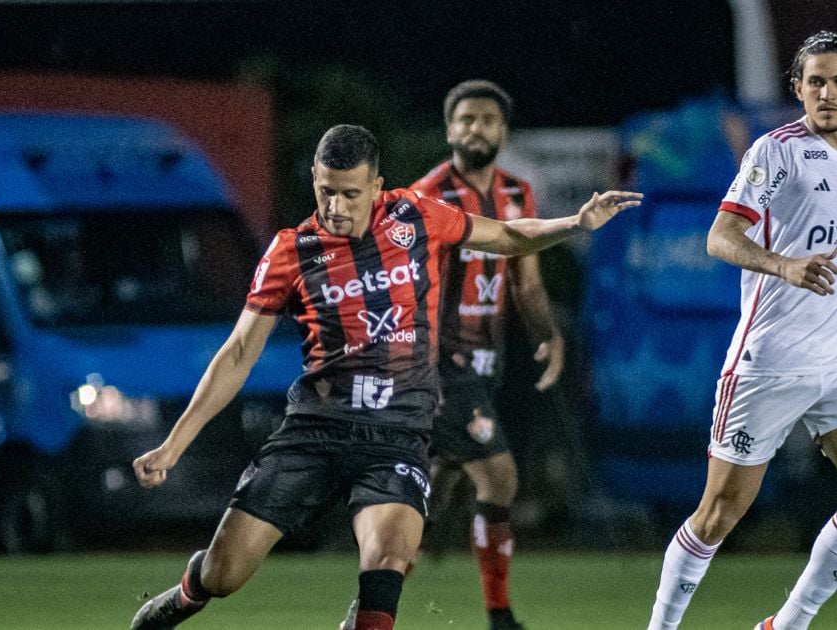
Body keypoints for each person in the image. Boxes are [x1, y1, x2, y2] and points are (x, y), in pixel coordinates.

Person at [129, 124, 639, 630]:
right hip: (314, 431)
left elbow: (505, 236)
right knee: (226, 575)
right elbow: (239, 351)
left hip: (396, 434)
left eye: (351, 194)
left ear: (377, 187)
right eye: (326, 191)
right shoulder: (292, 251)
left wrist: (575, 223)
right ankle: (188, 595)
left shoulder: (413, 217)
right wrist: (173, 446)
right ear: (313, 180)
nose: (336, 206)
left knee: (389, 558)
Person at [645, 31, 837, 630]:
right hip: (772, 359)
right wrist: (782, 265)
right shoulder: (775, 152)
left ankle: (785, 625)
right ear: (798, 89)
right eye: (816, 81)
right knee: (719, 514)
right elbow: (720, 238)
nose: (828, 92)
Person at [407, 79, 564, 630]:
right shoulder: (427, 195)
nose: (476, 128)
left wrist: (548, 334)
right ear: (450, 129)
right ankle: (500, 618)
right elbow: (409, 285)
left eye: (487, 120)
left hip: (486, 365)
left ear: (503, 130)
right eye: (466, 119)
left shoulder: (519, 194)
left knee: (418, 509)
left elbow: (527, 280)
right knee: (500, 478)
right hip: (440, 366)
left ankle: (369, 609)